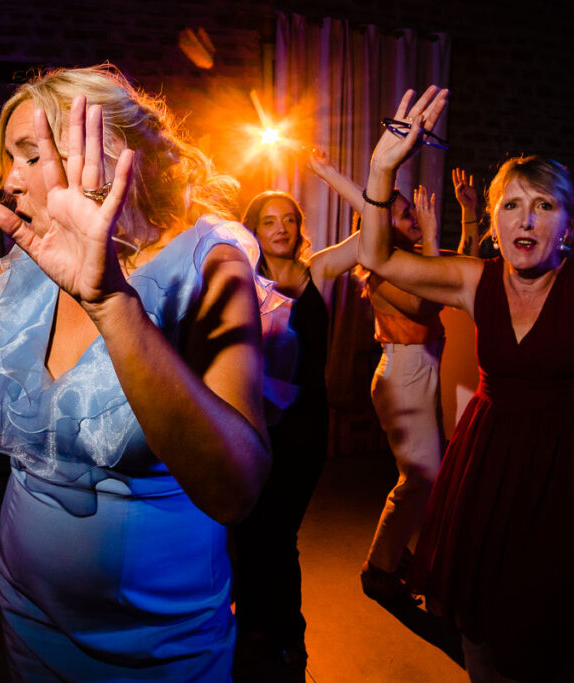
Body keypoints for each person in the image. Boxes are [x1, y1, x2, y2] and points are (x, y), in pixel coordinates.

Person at [0, 65, 273, 679]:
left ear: (103, 150)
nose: (6, 181)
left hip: (158, 636)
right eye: (6, 159)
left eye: (28, 155)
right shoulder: (32, 258)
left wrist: (109, 303)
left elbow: (235, 489)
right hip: (27, 611)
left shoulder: (209, 264)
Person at [358, 86, 574, 682]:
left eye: (544, 206)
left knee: (545, 627)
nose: (525, 219)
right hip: (489, 463)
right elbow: (377, 255)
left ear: (569, 225)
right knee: (479, 623)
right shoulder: (473, 277)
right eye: (511, 205)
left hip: (570, 472)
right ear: (494, 221)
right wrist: (382, 166)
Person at [299, 149, 446, 607]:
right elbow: (427, 303)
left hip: (418, 369)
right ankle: (380, 568)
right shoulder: (383, 266)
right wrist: (328, 174)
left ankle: (392, 554)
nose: (416, 217)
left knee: (422, 476)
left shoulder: (408, 255)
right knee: (421, 477)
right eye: (406, 214)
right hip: (403, 371)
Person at [233, 186, 356, 680]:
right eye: (269, 220)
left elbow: (372, 238)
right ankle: (255, 627)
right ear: (254, 230)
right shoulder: (241, 278)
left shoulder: (318, 272)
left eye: (288, 219)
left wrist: (332, 174)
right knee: (246, 530)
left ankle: (285, 634)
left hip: (305, 425)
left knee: (280, 533)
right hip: (250, 422)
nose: (281, 228)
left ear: (300, 227)